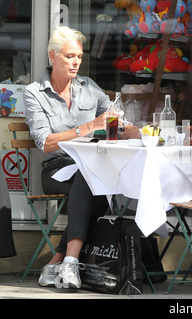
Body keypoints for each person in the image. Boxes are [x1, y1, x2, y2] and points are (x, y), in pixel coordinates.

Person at [24, 26, 140, 289]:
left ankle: (59, 261)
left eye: (79, 56)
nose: (76, 62)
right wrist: (88, 127)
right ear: (52, 56)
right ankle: (71, 261)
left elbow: (118, 124)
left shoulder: (90, 87)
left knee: (98, 184)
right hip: (56, 169)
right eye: (69, 56)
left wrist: (145, 131)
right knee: (94, 180)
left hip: (89, 169)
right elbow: (46, 143)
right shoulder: (34, 93)